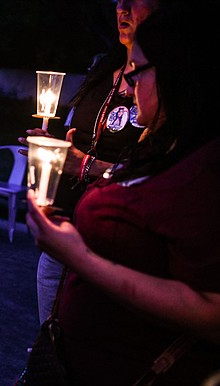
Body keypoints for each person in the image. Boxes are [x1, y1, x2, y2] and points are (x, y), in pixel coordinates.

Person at [25, 1, 220, 384]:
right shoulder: (160, 147)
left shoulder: (204, 169)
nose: (128, 89)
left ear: (176, 74)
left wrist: (80, 257)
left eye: (137, 74)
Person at [18, 0, 173, 325]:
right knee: (49, 339)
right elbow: (84, 137)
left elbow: (157, 173)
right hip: (65, 223)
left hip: (113, 242)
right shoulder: (104, 69)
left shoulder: (169, 85)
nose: (123, 10)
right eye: (118, 1)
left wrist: (85, 164)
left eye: (134, 1)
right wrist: (53, 148)